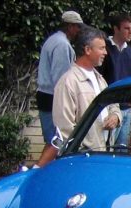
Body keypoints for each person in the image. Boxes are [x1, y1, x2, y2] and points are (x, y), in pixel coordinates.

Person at [36, 11, 84, 145]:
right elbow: (61, 78)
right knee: (57, 143)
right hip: (53, 97)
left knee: (51, 141)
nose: (79, 30)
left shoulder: (53, 39)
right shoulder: (62, 44)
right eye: (77, 26)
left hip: (45, 94)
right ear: (69, 26)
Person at [98, 13, 131, 147]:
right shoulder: (105, 49)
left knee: (122, 149)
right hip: (109, 108)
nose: (130, 32)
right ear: (116, 29)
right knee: (108, 147)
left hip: (127, 108)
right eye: (126, 28)